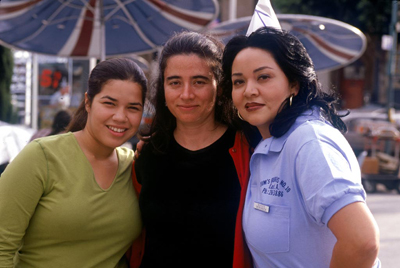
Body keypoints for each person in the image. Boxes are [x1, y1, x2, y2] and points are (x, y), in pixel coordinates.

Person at [221, 26, 380, 268]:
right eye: (238, 81)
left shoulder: (309, 141)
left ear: (294, 84)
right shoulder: (266, 146)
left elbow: (361, 241)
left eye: (263, 77)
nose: (249, 91)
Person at [0, 57, 147, 267]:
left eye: (133, 108)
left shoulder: (134, 167)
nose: (120, 117)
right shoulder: (42, 156)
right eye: (109, 103)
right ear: (88, 102)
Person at [129, 31, 255, 268]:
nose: (186, 94)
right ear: (163, 90)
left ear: (220, 89)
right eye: (175, 82)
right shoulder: (148, 154)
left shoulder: (248, 151)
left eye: (199, 81)